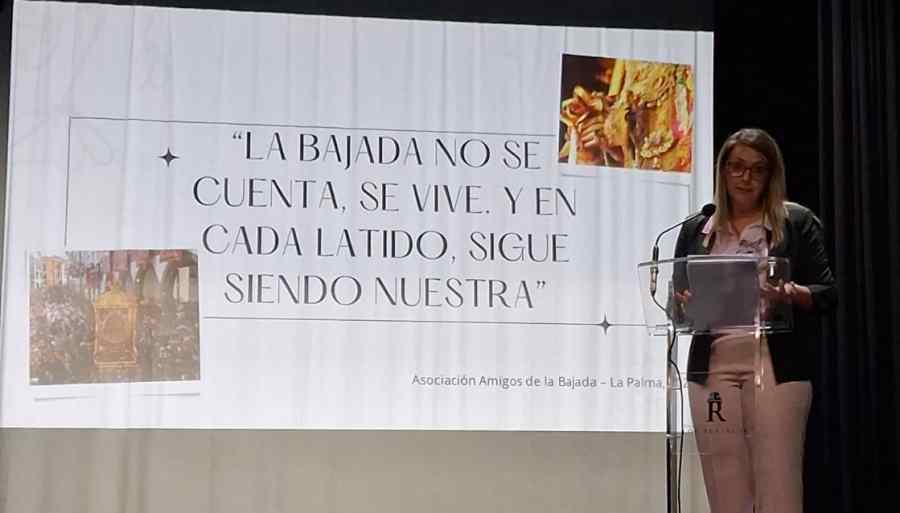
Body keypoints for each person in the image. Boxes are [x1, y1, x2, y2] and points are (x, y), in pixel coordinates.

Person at [672, 128, 837, 513]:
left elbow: (828, 292)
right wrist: (684, 304)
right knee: (725, 485)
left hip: (774, 365)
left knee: (777, 483)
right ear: (722, 171)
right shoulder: (697, 228)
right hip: (711, 369)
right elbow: (677, 303)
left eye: (757, 169)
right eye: (737, 167)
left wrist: (791, 293)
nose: (745, 178)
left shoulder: (795, 222)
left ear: (771, 175)